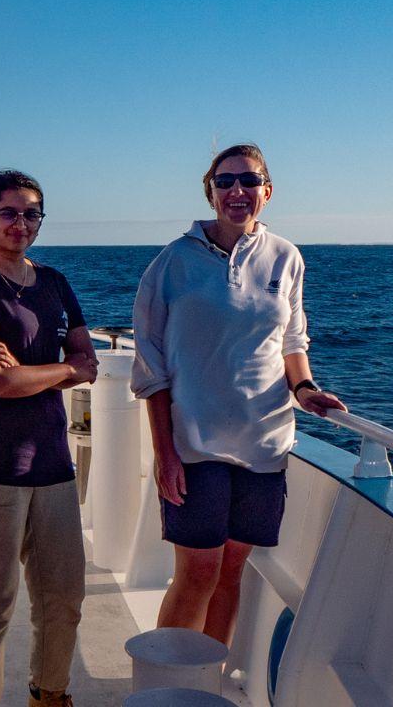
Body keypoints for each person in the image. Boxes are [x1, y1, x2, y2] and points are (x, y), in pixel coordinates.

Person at [131, 143, 347, 646]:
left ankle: (208, 683)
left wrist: (306, 388)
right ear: (210, 192)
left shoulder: (286, 258)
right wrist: (165, 452)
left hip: (266, 444)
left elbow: (292, 341)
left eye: (248, 181)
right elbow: (151, 365)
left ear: (267, 192)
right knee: (199, 572)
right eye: (224, 181)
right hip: (196, 445)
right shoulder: (172, 263)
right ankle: (166, 687)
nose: (237, 191)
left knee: (231, 572)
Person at [0, 171, 95, 707]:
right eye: (8, 212)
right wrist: (61, 370)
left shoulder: (53, 282)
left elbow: (90, 363)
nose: (20, 223)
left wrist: (42, 370)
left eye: (31, 213)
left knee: (64, 598)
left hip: (51, 462)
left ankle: (48, 695)